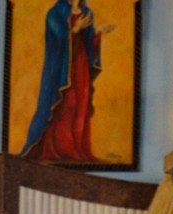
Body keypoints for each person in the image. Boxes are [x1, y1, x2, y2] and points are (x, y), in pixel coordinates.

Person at [21, 0, 117, 162]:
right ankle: (62, 149)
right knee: (68, 104)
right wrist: (76, 28)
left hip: (81, 66)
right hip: (62, 70)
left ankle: (78, 150)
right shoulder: (55, 13)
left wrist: (97, 32)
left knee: (81, 106)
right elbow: (58, 36)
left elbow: (87, 43)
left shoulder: (87, 13)